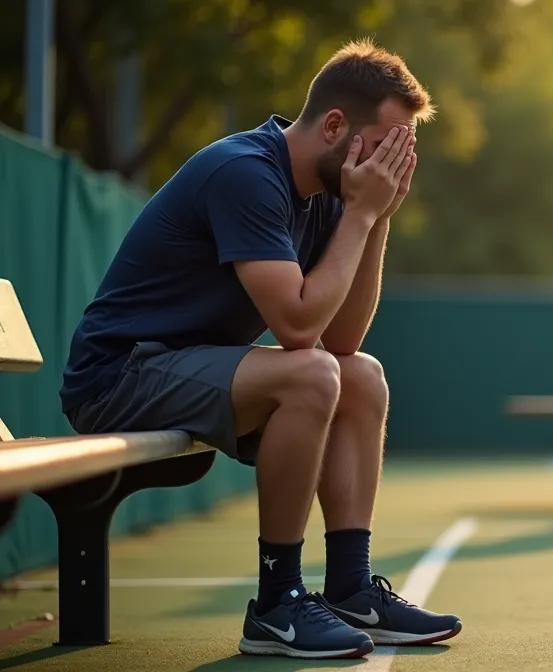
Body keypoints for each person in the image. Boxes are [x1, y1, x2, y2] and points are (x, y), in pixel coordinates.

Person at [59, 41, 459, 659]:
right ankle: (276, 603)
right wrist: (359, 218)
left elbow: (344, 339)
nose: (390, 165)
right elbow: (300, 329)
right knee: (311, 375)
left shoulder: (333, 194)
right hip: (120, 376)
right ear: (334, 126)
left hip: (188, 368)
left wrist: (374, 219)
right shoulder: (245, 171)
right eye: (384, 145)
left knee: (361, 376)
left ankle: (352, 589)